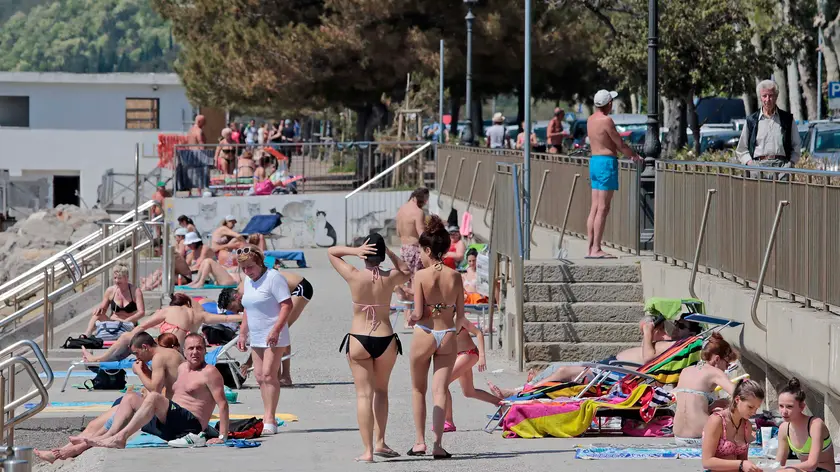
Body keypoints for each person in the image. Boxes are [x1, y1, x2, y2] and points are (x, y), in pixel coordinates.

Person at [35, 332, 185, 463]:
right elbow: (162, 386)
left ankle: (71, 450)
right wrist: (146, 373)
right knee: (95, 424)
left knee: (119, 413)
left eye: (136, 353)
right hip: (168, 410)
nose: (136, 357)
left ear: (145, 347)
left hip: (171, 416)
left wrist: (139, 372)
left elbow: (155, 390)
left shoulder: (159, 357)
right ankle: (62, 451)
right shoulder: (168, 355)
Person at [328, 235, 411, 462]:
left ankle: (368, 452)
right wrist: (391, 254)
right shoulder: (391, 277)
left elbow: (331, 252)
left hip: (359, 338)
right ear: (382, 256)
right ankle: (381, 441)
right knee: (382, 391)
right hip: (385, 338)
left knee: (364, 395)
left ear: (365, 254)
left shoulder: (354, 276)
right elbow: (407, 271)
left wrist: (355, 251)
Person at [489, 316, 697, 398]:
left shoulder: (678, 347)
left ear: (692, 333)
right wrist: (651, 329)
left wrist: (647, 334)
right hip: (611, 367)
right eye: (676, 323)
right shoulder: (672, 343)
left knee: (562, 372)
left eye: (681, 325)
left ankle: (518, 394)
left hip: (617, 374)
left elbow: (649, 358)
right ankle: (521, 390)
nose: (676, 326)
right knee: (557, 367)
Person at [80, 334, 229, 449]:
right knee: (131, 397)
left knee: (154, 397)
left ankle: (120, 437)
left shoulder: (210, 372)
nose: (195, 352)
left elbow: (223, 404)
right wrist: (147, 373)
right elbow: (167, 388)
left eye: (199, 348)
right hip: (171, 426)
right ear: (184, 350)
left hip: (191, 425)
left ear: (205, 350)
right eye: (191, 348)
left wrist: (222, 436)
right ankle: (109, 435)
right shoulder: (182, 368)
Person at [407, 215, 467, 459]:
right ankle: (438, 444)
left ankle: (419, 442)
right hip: (448, 335)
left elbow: (419, 313)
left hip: (425, 333)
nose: (420, 255)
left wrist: (410, 316)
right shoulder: (455, 276)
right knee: (440, 390)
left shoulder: (421, 275)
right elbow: (461, 316)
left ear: (429, 250)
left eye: (421, 251)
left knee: (418, 390)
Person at [235, 245, 293, 435]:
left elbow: (286, 305)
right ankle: (267, 412)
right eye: (244, 268)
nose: (247, 271)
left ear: (259, 263)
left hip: (274, 333)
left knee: (269, 374)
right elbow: (247, 309)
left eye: (250, 267)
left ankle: (270, 417)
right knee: (259, 376)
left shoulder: (273, 278)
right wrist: (242, 333)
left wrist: (276, 329)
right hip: (257, 334)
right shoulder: (249, 280)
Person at [82, 293, 242, 362]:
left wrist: (130, 335)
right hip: (179, 352)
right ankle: (110, 359)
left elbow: (143, 326)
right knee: (133, 343)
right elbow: (227, 317)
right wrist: (246, 316)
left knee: (126, 338)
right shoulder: (199, 315)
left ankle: (98, 359)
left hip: (161, 349)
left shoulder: (168, 310)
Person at [586, 89, 643, 259]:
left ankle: (590, 248)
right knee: (603, 208)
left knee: (595, 207)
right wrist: (634, 156)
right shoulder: (607, 121)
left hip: (594, 162)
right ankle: (596, 249)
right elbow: (620, 144)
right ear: (609, 104)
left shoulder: (590, 120)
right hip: (605, 163)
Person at [233, 271, 313, 385]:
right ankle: (278, 375)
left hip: (300, 287)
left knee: (281, 329)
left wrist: (248, 362)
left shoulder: (245, 288)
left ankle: (286, 376)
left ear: (236, 297)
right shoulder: (247, 287)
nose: (239, 311)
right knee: (276, 330)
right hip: (293, 289)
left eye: (235, 308)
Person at [672, 333, 739, 445]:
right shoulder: (715, 372)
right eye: (727, 364)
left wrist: (713, 405)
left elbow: (692, 405)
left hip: (678, 436)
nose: (727, 368)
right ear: (717, 359)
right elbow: (740, 395)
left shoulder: (685, 371)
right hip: (702, 437)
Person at [441, 315, 500, 432]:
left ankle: (448, 421)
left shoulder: (458, 318)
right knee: (469, 392)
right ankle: (501, 404)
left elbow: (478, 333)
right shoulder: (439, 319)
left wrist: (482, 356)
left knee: (442, 383)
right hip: (458, 355)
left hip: (469, 353)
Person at [735, 80, 801, 179]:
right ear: (760, 98)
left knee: (783, 194)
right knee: (758, 195)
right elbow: (741, 149)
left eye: (771, 96)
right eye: (764, 96)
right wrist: (750, 163)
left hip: (782, 167)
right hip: (758, 167)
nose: (768, 99)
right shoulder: (752, 120)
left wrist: (790, 164)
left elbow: (796, 145)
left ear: (776, 97)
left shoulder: (787, 119)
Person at [701, 379, 765, 472]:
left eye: (756, 408)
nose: (754, 412)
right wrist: (741, 464)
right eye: (750, 407)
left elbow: (743, 460)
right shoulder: (717, 421)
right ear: (737, 399)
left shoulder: (746, 425)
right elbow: (707, 462)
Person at [776, 378, 835, 472]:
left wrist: (787, 469)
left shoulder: (815, 425)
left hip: (823, 469)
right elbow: (778, 463)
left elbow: (812, 464)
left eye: (789, 406)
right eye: (781, 406)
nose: (784, 412)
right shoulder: (784, 428)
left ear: (802, 407)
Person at [84, 263, 145, 336]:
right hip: (113, 322)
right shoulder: (110, 291)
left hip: (129, 324)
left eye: (119, 278)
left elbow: (141, 312)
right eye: (115, 278)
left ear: (126, 278)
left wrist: (126, 321)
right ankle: (87, 334)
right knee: (97, 315)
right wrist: (99, 309)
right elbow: (103, 309)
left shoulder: (135, 291)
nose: (116, 281)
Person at [395, 188, 429, 301]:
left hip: (404, 248)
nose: (425, 203)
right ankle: (415, 311)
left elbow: (398, 232)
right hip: (414, 249)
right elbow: (422, 234)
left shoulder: (401, 210)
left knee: (406, 278)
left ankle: (407, 315)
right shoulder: (418, 212)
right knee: (416, 281)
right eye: (425, 200)